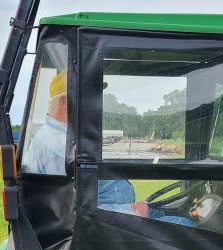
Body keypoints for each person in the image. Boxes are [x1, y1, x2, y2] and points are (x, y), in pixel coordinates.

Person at [22, 70, 193, 227]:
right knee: (186, 228)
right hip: (110, 228)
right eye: (90, 99)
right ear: (65, 103)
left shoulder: (62, 139)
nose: (97, 106)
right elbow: (72, 212)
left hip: (117, 219)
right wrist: (131, 211)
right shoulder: (57, 150)